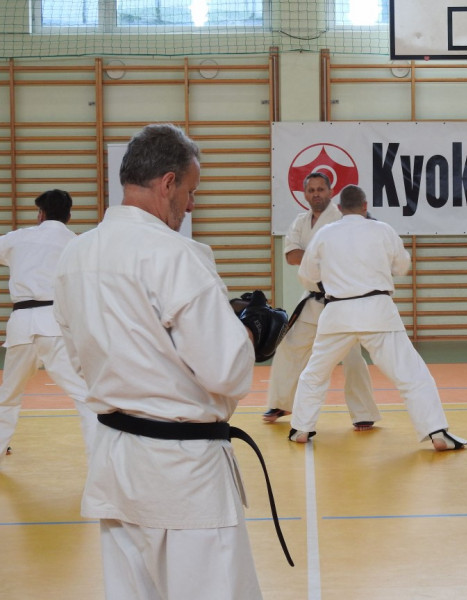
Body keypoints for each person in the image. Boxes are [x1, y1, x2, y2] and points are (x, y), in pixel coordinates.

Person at [53, 124, 280, 600]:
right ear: (168, 182)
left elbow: (78, 358)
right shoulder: (175, 255)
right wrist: (248, 331)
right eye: (191, 191)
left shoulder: (76, 254)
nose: (191, 205)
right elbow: (227, 371)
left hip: (116, 461)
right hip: (183, 474)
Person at [288, 184, 467, 451]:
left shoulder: (324, 234)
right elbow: (402, 266)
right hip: (377, 311)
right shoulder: (383, 230)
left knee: (315, 373)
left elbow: (307, 275)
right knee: (412, 375)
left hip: (337, 313)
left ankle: (301, 428)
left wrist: (332, 279)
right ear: (365, 206)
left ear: (339, 208)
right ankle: (436, 431)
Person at [264, 171, 381, 431]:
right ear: (305, 195)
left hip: (341, 300)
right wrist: (326, 255)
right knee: (289, 346)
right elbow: (291, 256)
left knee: (351, 356)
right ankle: (282, 402)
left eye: (320, 189)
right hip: (312, 299)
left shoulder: (343, 218)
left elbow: (362, 240)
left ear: (330, 192)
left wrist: (319, 255)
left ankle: (363, 412)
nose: (316, 194)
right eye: (311, 190)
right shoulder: (300, 222)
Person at [0, 189, 96, 462]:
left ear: (40, 214)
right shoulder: (76, 243)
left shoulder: (18, 238)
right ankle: (99, 457)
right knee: (83, 395)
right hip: (55, 324)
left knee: (8, 395)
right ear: (68, 215)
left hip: (21, 326)